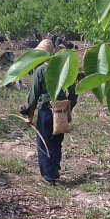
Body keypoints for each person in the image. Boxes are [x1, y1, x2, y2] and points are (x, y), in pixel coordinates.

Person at [21, 39, 77, 185]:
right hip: (61, 110)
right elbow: (73, 90)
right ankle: (55, 167)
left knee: (44, 143)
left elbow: (33, 96)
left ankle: (48, 176)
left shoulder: (41, 70)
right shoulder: (64, 68)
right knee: (57, 141)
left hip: (46, 111)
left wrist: (30, 116)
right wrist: (69, 108)